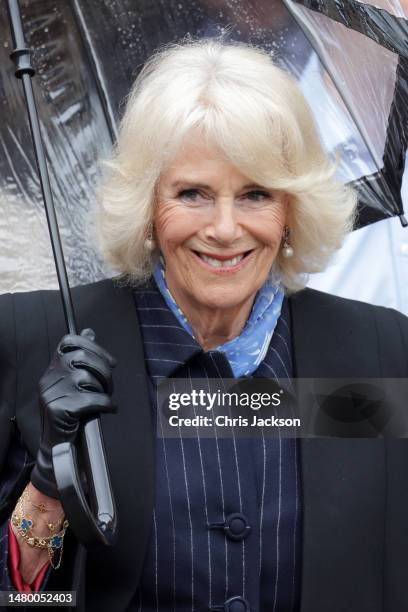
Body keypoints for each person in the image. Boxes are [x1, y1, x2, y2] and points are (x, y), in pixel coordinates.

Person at [0, 38, 408, 612]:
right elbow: (18, 602)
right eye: (192, 193)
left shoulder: (380, 352)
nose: (224, 228)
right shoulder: (39, 344)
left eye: (255, 195)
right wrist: (50, 483)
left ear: (291, 212)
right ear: (147, 205)